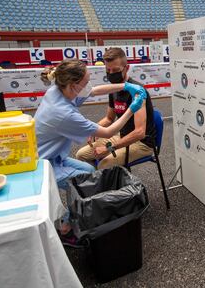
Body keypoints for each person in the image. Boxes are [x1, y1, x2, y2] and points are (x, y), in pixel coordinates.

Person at [35, 59, 146, 244]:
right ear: (73, 86)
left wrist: (125, 86)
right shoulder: (63, 113)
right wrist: (131, 109)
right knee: (84, 185)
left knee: (89, 173)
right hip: (43, 166)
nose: (89, 86)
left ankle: (71, 219)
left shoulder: (58, 90)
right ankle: (66, 229)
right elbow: (109, 131)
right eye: (85, 82)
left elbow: (93, 91)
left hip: (52, 156)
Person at [76, 48, 156, 169]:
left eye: (116, 70)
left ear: (126, 68)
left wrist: (109, 148)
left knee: (104, 164)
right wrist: (94, 131)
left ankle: (112, 183)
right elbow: (109, 119)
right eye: (108, 70)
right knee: (81, 155)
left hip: (142, 143)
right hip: (122, 136)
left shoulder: (137, 91)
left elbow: (139, 133)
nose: (111, 73)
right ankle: (104, 182)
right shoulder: (114, 88)